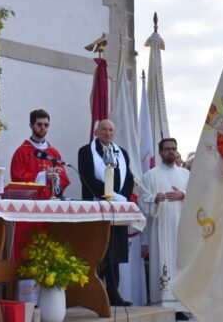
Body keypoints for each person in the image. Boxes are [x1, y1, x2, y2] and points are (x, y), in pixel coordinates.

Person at [9, 109, 71, 301]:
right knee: (28, 250)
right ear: (31, 126)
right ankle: (27, 301)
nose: (43, 128)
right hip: (29, 212)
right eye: (39, 124)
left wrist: (56, 180)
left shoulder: (53, 153)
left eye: (46, 125)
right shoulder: (22, 152)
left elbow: (64, 179)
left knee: (49, 251)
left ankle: (49, 298)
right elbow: (17, 179)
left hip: (49, 212)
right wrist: (43, 176)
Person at [78, 119, 134, 306]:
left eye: (111, 129)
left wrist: (121, 198)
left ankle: (113, 292)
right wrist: (111, 196)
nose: (108, 133)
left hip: (118, 209)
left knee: (114, 253)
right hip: (97, 207)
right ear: (96, 132)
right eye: (104, 129)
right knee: (98, 252)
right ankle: (92, 292)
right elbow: (87, 179)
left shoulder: (122, 153)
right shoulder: (86, 152)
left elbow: (129, 179)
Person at [139, 138, 191, 316]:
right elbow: (142, 200)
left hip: (180, 230)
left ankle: (182, 307)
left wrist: (183, 194)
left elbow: (198, 195)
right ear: (160, 152)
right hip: (159, 229)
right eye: (167, 149)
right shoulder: (150, 176)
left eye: (174, 149)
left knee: (180, 264)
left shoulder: (185, 175)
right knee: (162, 263)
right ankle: (162, 307)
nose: (171, 152)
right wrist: (155, 199)